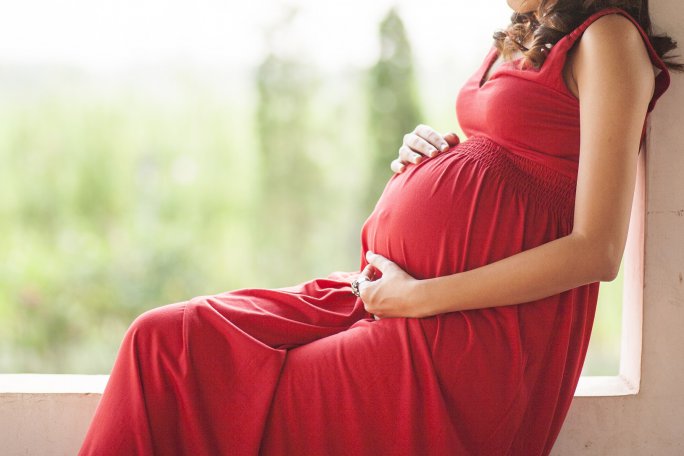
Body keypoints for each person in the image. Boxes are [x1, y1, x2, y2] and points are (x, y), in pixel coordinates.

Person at [79, 1, 681, 455]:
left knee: (259, 404)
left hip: (469, 339)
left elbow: (596, 251)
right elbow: (512, 157)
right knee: (164, 342)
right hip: (387, 296)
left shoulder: (608, 39)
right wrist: (438, 154)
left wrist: (420, 296)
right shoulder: (528, 30)